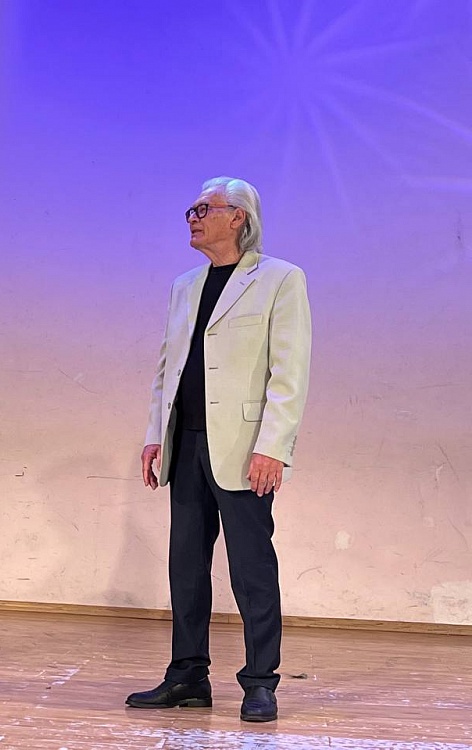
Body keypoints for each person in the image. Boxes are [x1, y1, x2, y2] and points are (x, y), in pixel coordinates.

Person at [125, 177, 311, 722]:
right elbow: (168, 367)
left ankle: (260, 681)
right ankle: (187, 676)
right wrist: (155, 434)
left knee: (252, 569)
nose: (193, 217)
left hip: (245, 447)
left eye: (204, 209)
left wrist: (273, 446)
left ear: (239, 218)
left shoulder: (280, 278)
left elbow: (289, 372)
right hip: (186, 444)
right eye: (192, 209)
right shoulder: (185, 285)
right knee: (185, 566)